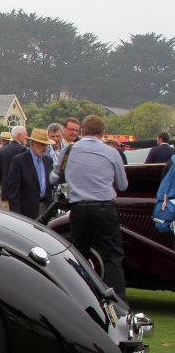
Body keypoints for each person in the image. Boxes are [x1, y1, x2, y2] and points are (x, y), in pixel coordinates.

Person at [50, 115, 129, 304]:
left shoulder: (69, 150)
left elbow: (54, 178)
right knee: (112, 255)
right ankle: (119, 302)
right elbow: (123, 185)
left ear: (82, 131)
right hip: (104, 207)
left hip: (79, 208)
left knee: (80, 254)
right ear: (102, 133)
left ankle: (79, 299)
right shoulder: (111, 153)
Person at [6, 128, 55, 219]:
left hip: (45, 208)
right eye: (41, 144)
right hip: (26, 211)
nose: (45, 147)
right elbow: (13, 192)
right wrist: (16, 215)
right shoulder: (19, 161)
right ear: (32, 144)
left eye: (46, 145)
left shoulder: (48, 160)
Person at [0, 126, 27, 210]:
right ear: (18, 135)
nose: (26, 137)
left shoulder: (3, 149)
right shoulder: (23, 150)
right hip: (18, 194)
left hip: (5, 191)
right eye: (25, 134)